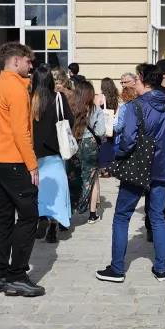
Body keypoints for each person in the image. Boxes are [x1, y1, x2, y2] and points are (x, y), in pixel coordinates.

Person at [97, 63, 165, 283]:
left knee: (122, 216)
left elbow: (129, 139)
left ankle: (117, 268)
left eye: (137, 79)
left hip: (138, 166)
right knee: (158, 217)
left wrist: (119, 156)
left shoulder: (135, 106)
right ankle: (161, 268)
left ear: (142, 79)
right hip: (162, 166)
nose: (135, 83)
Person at [0, 42, 44, 298]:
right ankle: (17, 275)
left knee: (4, 217)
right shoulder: (16, 90)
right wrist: (32, 165)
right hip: (14, 160)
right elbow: (21, 132)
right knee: (29, 216)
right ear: (16, 61)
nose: (31, 67)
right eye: (29, 62)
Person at [30, 64, 72, 241]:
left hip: (33, 150)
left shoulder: (30, 99)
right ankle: (53, 227)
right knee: (55, 188)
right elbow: (69, 118)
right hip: (55, 148)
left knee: (38, 188)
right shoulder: (58, 98)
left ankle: (40, 218)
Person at [68, 80, 106, 227]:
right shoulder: (94, 109)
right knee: (93, 177)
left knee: (72, 176)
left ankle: (69, 212)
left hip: (74, 144)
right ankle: (92, 214)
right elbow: (100, 131)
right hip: (90, 145)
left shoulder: (71, 108)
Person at [98, 78, 120, 174]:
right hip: (112, 126)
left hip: (103, 126)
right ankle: (110, 167)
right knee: (111, 146)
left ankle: (104, 168)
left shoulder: (100, 97)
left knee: (103, 146)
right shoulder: (115, 97)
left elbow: (96, 111)